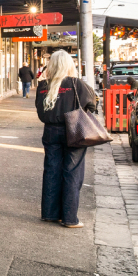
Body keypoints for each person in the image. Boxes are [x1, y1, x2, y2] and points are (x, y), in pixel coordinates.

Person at [35, 49, 99, 229]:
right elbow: (92, 105)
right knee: (72, 172)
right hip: (74, 130)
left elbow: (40, 110)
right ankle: (70, 218)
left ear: (52, 65)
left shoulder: (43, 86)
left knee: (51, 171)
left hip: (50, 131)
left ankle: (50, 213)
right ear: (69, 65)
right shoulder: (77, 84)